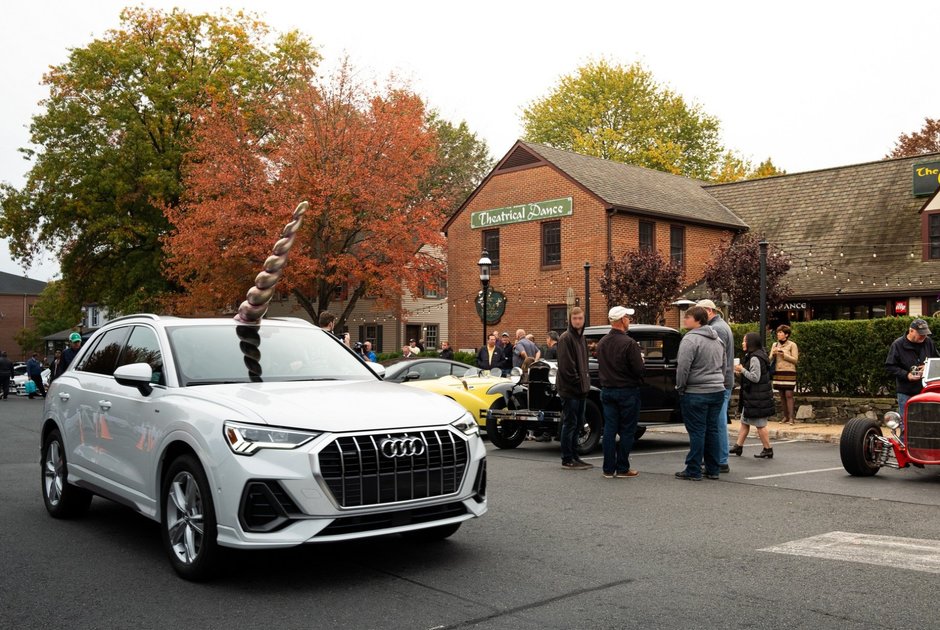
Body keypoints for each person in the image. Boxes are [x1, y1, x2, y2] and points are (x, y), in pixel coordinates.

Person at [674, 306, 726, 481]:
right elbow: (724, 365)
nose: (684, 320)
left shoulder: (690, 340)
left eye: (687, 317)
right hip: (717, 389)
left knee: (697, 431)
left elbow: (683, 367)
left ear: (697, 320)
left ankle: (693, 469)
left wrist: (680, 387)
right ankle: (713, 469)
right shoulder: (717, 339)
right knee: (712, 430)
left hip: (696, 391)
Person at [596, 306, 644, 479]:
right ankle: (622, 467)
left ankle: (608, 468)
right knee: (627, 430)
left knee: (609, 429)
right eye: (627, 318)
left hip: (608, 390)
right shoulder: (629, 343)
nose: (629, 321)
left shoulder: (602, 342)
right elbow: (638, 369)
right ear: (622, 320)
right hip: (627, 390)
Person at [697, 299, 734, 473]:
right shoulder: (722, 325)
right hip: (723, 380)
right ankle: (719, 458)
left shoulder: (717, 329)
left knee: (717, 423)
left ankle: (720, 460)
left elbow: (718, 357)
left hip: (721, 381)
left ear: (708, 311)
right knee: (718, 422)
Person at [556, 307, 593, 470]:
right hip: (570, 390)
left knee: (578, 424)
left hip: (581, 389)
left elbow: (584, 364)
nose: (578, 321)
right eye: (575, 318)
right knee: (570, 423)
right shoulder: (565, 338)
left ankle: (575, 456)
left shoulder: (582, 338)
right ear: (570, 320)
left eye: (580, 318)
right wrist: (579, 383)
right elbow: (567, 367)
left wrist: (585, 383)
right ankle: (567, 458)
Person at [731, 332, 776, 459]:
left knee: (760, 425)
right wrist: (740, 373)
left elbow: (755, 378)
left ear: (751, 343)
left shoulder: (755, 357)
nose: (743, 343)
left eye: (745, 341)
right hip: (752, 396)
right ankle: (738, 446)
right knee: (745, 422)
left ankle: (768, 449)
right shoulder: (755, 355)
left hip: (757, 398)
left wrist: (742, 370)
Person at [886, 318, 939, 412]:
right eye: (921, 334)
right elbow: (890, 366)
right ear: (911, 331)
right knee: (907, 422)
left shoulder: (928, 342)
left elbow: (937, 361)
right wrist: (907, 375)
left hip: (926, 391)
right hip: (906, 392)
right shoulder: (898, 345)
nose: (924, 336)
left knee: (928, 421)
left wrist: (928, 367)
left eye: (925, 333)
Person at [770, 324, 799, 424]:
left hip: (789, 372)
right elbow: (769, 358)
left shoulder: (792, 345)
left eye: (780, 332)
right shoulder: (774, 345)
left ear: (786, 335)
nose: (778, 334)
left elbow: (795, 360)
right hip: (778, 372)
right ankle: (785, 416)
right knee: (781, 395)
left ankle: (791, 417)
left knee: (789, 394)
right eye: (778, 332)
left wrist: (784, 355)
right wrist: (773, 354)